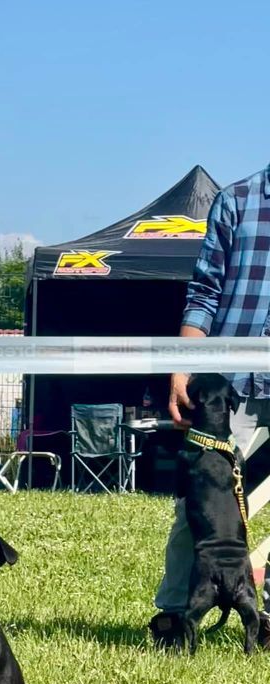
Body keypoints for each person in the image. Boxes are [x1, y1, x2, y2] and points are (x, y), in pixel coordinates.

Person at [150, 160, 270, 648]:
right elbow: (203, 293)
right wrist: (182, 365)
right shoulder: (238, 201)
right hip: (231, 384)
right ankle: (175, 617)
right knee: (200, 504)